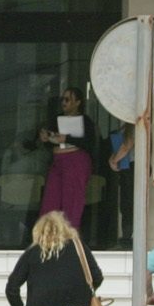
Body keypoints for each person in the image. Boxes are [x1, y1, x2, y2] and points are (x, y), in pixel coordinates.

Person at [35, 85, 94, 231]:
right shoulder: (57, 119)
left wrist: (67, 139)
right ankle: (48, 233)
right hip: (58, 160)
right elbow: (54, 144)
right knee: (51, 199)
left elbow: (90, 142)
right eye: (63, 99)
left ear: (78, 102)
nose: (64, 102)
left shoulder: (85, 120)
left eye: (68, 99)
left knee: (72, 200)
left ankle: (70, 235)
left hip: (75, 160)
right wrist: (46, 139)